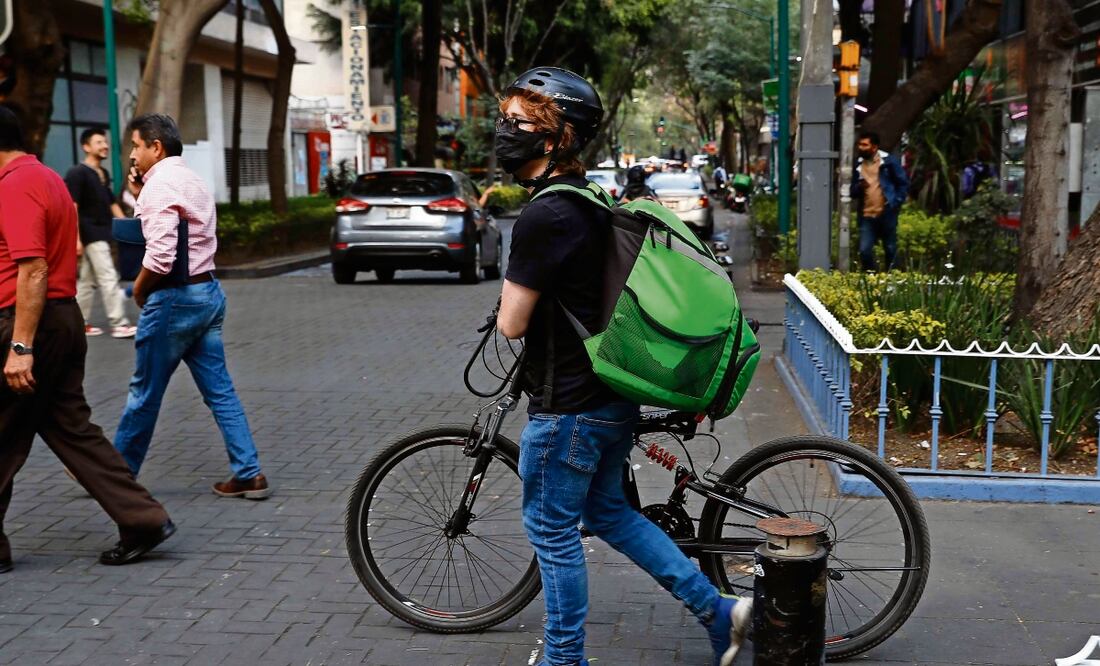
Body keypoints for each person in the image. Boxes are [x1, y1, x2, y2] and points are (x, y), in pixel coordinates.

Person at [493, 67, 751, 666]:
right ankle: (719, 613)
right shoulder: (587, 200)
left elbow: (512, 323)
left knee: (553, 533)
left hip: (568, 409)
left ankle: (564, 658)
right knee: (608, 512)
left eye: (520, 123)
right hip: (610, 393)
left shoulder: (543, 215)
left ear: (556, 138)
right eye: (504, 120)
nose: (506, 132)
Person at [0, 105, 175, 571]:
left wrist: (20, 347)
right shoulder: (47, 177)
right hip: (62, 319)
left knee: (3, 431)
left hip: (29, 323)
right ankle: (143, 519)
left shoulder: (15, 185)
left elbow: (33, 268)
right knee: (72, 431)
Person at [113, 113, 270, 500]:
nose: (132, 154)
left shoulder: (159, 187)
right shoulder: (191, 179)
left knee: (144, 393)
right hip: (208, 294)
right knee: (220, 392)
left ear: (155, 147)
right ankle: (249, 473)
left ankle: (114, 475)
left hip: (174, 301)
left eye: (135, 146)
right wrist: (138, 191)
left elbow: (162, 254)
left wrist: (138, 290)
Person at [65, 128, 137, 339]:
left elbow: (111, 203)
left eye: (105, 142)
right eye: (99, 142)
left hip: (101, 232)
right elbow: (73, 207)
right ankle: (119, 323)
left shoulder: (102, 174)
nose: (104, 145)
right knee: (108, 276)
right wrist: (75, 238)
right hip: (90, 234)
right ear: (86, 147)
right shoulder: (77, 173)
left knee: (86, 282)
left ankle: (79, 324)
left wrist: (129, 228)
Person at [851, 130, 910, 271]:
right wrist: (859, 187)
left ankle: (893, 278)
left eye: (865, 145)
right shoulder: (858, 164)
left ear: (874, 147)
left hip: (887, 212)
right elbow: (852, 191)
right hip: (866, 215)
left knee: (890, 248)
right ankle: (872, 276)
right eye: (860, 144)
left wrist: (896, 200)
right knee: (865, 250)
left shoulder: (889, 162)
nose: (861, 147)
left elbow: (903, 183)